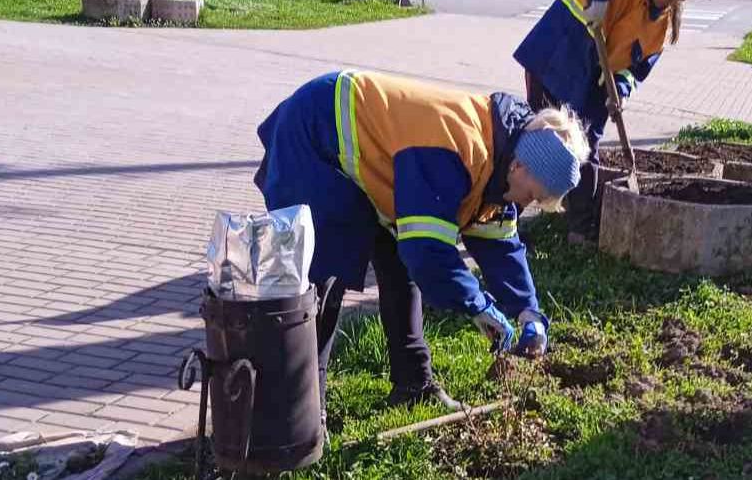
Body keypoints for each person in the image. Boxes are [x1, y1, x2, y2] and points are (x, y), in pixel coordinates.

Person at [253, 70, 590, 414]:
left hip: (374, 160)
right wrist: (479, 307)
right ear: (519, 167)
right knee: (323, 278)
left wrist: (528, 311)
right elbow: (428, 254)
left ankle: (413, 383)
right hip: (317, 136)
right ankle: (302, 414)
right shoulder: (458, 149)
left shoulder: (503, 156)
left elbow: (499, 241)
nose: (526, 205)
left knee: (398, 267)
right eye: (532, 195)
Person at [513, 0, 705, 243]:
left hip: (597, 81)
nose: (669, 4)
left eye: (676, 0)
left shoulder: (661, 24)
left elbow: (640, 66)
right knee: (537, 142)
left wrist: (621, 87)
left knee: (587, 149)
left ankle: (580, 229)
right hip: (559, 53)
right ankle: (506, 218)